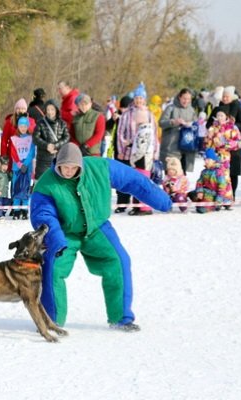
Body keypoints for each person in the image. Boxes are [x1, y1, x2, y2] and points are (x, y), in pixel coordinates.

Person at [30, 143, 171, 330]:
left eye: (74, 168)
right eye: (65, 167)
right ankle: (51, 321)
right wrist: (55, 239)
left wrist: (162, 201)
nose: (69, 172)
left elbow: (134, 181)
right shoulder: (46, 184)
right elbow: (43, 214)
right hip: (64, 232)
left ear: (81, 165)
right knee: (54, 268)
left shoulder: (100, 167)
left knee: (119, 260)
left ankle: (121, 318)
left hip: (97, 227)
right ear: (57, 164)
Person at [116, 83, 159, 216]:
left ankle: (140, 206)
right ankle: (122, 204)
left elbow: (155, 134)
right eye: (136, 98)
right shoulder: (127, 114)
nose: (138, 100)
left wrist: (155, 152)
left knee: (141, 179)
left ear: (145, 99)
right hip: (129, 153)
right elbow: (120, 133)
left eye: (141, 98)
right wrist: (123, 146)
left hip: (145, 153)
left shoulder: (150, 115)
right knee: (126, 179)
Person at [207, 86, 241, 199]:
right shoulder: (217, 109)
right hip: (218, 147)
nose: (225, 98)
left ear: (232, 97)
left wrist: (230, 128)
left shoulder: (238, 107)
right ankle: (218, 193)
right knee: (218, 171)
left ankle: (232, 193)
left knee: (233, 171)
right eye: (223, 96)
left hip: (233, 145)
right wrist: (215, 128)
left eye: (227, 96)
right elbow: (208, 124)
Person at [204, 110, 241, 209]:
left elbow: (238, 142)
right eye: (218, 115)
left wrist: (225, 144)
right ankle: (216, 199)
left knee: (224, 177)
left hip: (224, 155)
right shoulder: (212, 128)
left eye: (221, 115)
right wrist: (210, 139)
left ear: (226, 116)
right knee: (213, 177)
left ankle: (227, 200)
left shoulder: (232, 127)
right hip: (213, 156)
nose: (219, 117)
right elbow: (206, 143)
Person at [159, 88, 197, 172]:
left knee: (182, 174)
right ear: (179, 97)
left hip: (186, 146)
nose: (186, 101)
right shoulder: (171, 108)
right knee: (171, 172)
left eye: (188, 99)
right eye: (184, 98)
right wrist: (173, 122)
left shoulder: (192, 110)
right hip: (171, 146)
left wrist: (191, 124)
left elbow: (196, 125)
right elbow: (161, 123)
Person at [32, 99, 70, 178]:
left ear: (56, 110)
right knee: (41, 181)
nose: (50, 112)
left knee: (56, 182)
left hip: (58, 158)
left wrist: (55, 145)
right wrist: (47, 145)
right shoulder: (40, 123)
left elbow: (67, 137)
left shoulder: (62, 123)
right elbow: (35, 138)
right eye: (48, 109)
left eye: (52, 109)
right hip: (42, 160)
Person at [10, 117, 36, 220]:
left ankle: (25, 210)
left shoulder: (31, 139)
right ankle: (16, 210)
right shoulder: (14, 138)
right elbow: (13, 152)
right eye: (21, 126)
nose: (23, 128)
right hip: (17, 167)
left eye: (25, 126)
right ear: (18, 126)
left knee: (25, 188)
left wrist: (25, 163)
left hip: (27, 167)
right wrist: (19, 164)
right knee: (16, 188)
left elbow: (31, 152)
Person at [0, 98, 36, 170]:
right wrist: (4, 157)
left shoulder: (31, 121)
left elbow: (34, 134)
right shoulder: (9, 122)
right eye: (18, 108)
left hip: (26, 155)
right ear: (15, 110)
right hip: (13, 155)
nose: (20, 111)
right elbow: (4, 141)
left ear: (26, 110)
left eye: (23, 109)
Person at [192, 148, 229, 213]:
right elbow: (199, 182)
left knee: (201, 210)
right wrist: (199, 191)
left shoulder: (219, 172)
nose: (206, 161)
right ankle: (202, 203)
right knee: (192, 194)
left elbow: (222, 187)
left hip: (215, 195)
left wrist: (219, 199)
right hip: (207, 192)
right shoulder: (204, 172)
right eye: (205, 160)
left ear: (214, 160)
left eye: (208, 159)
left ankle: (214, 205)